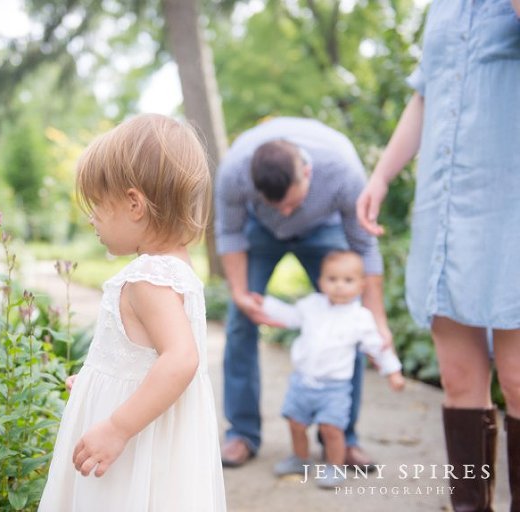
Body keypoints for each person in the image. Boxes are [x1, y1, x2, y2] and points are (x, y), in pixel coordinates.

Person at [355, 1, 520, 509]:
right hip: (447, 205)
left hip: (510, 200)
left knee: (518, 377)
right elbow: (426, 93)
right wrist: (382, 175)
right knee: (458, 378)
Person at [39, 114, 226, 511]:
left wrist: (117, 428)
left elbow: (181, 359)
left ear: (134, 204)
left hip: (135, 445)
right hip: (156, 438)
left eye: (97, 205)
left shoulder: (148, 277)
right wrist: (99, 378)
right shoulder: (177, 269)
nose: (91, 217)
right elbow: (147, 356)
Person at [214, 116, 393, 468]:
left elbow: (365, 249)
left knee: (349, 323)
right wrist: (239, 292)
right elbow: (230, 233)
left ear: (307, 174)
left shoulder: (342, 171)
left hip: (324, 227)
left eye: (291, 203)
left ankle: (343, 439)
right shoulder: (234, 171)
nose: (285, 212)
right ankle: (241, 433)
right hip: (259, 231)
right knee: (239, 323)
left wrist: (378, 321)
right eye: (276, 204)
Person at [263, 250, 404, 488]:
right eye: (332, 279)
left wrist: (393, 373)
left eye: (348, 280)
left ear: (361, 285)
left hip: (334, 388)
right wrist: (264, 304)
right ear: (321, 281)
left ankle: (335, 466)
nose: (339, 286)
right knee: (296, 424)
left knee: (332, 429)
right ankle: (300, 459)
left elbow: (377, 347)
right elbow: (289, 315)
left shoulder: (360, 317)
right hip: (302, 382)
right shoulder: (311, 305)